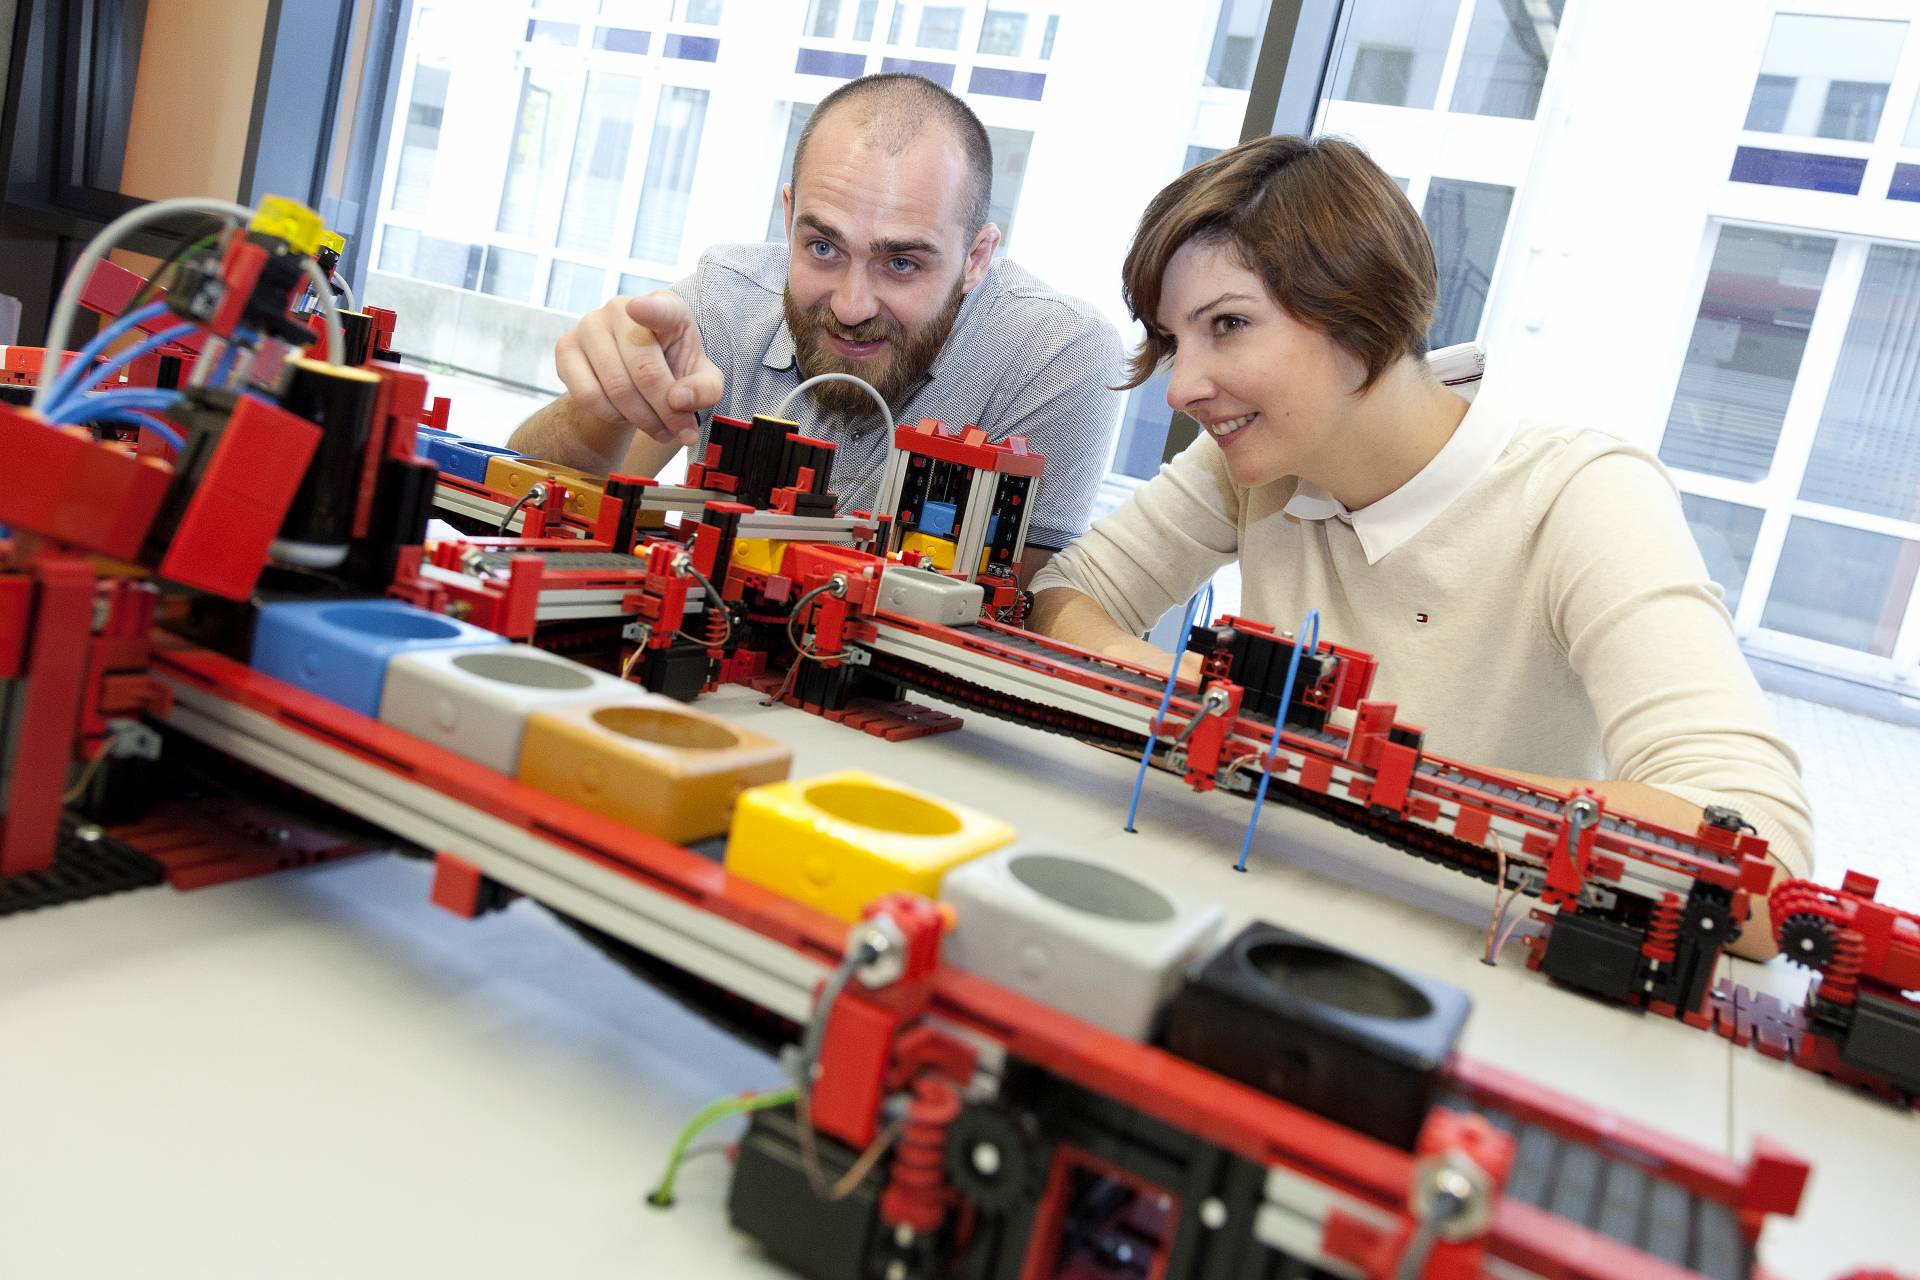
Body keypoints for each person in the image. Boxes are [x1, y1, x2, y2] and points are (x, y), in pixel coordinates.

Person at [1027, 135, 1812, 959]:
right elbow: (1071, 590)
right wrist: (1175, 684)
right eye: (1173, 339)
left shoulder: (1583, 496)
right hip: (1270, 915)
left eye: (1228, 325)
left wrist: (1355, 775)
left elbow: (1769, 873)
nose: (1183, 386)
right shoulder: (1256, 463)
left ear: (1361, 315)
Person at [508, 72, 1122, 573]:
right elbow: (516, 504)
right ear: (788, 217)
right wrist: (603, 404)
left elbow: (1017, 617)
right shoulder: (726, 302)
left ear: (976, 259)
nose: (852, 306)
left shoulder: (1055, 356)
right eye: (824, 248)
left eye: (901, 262)